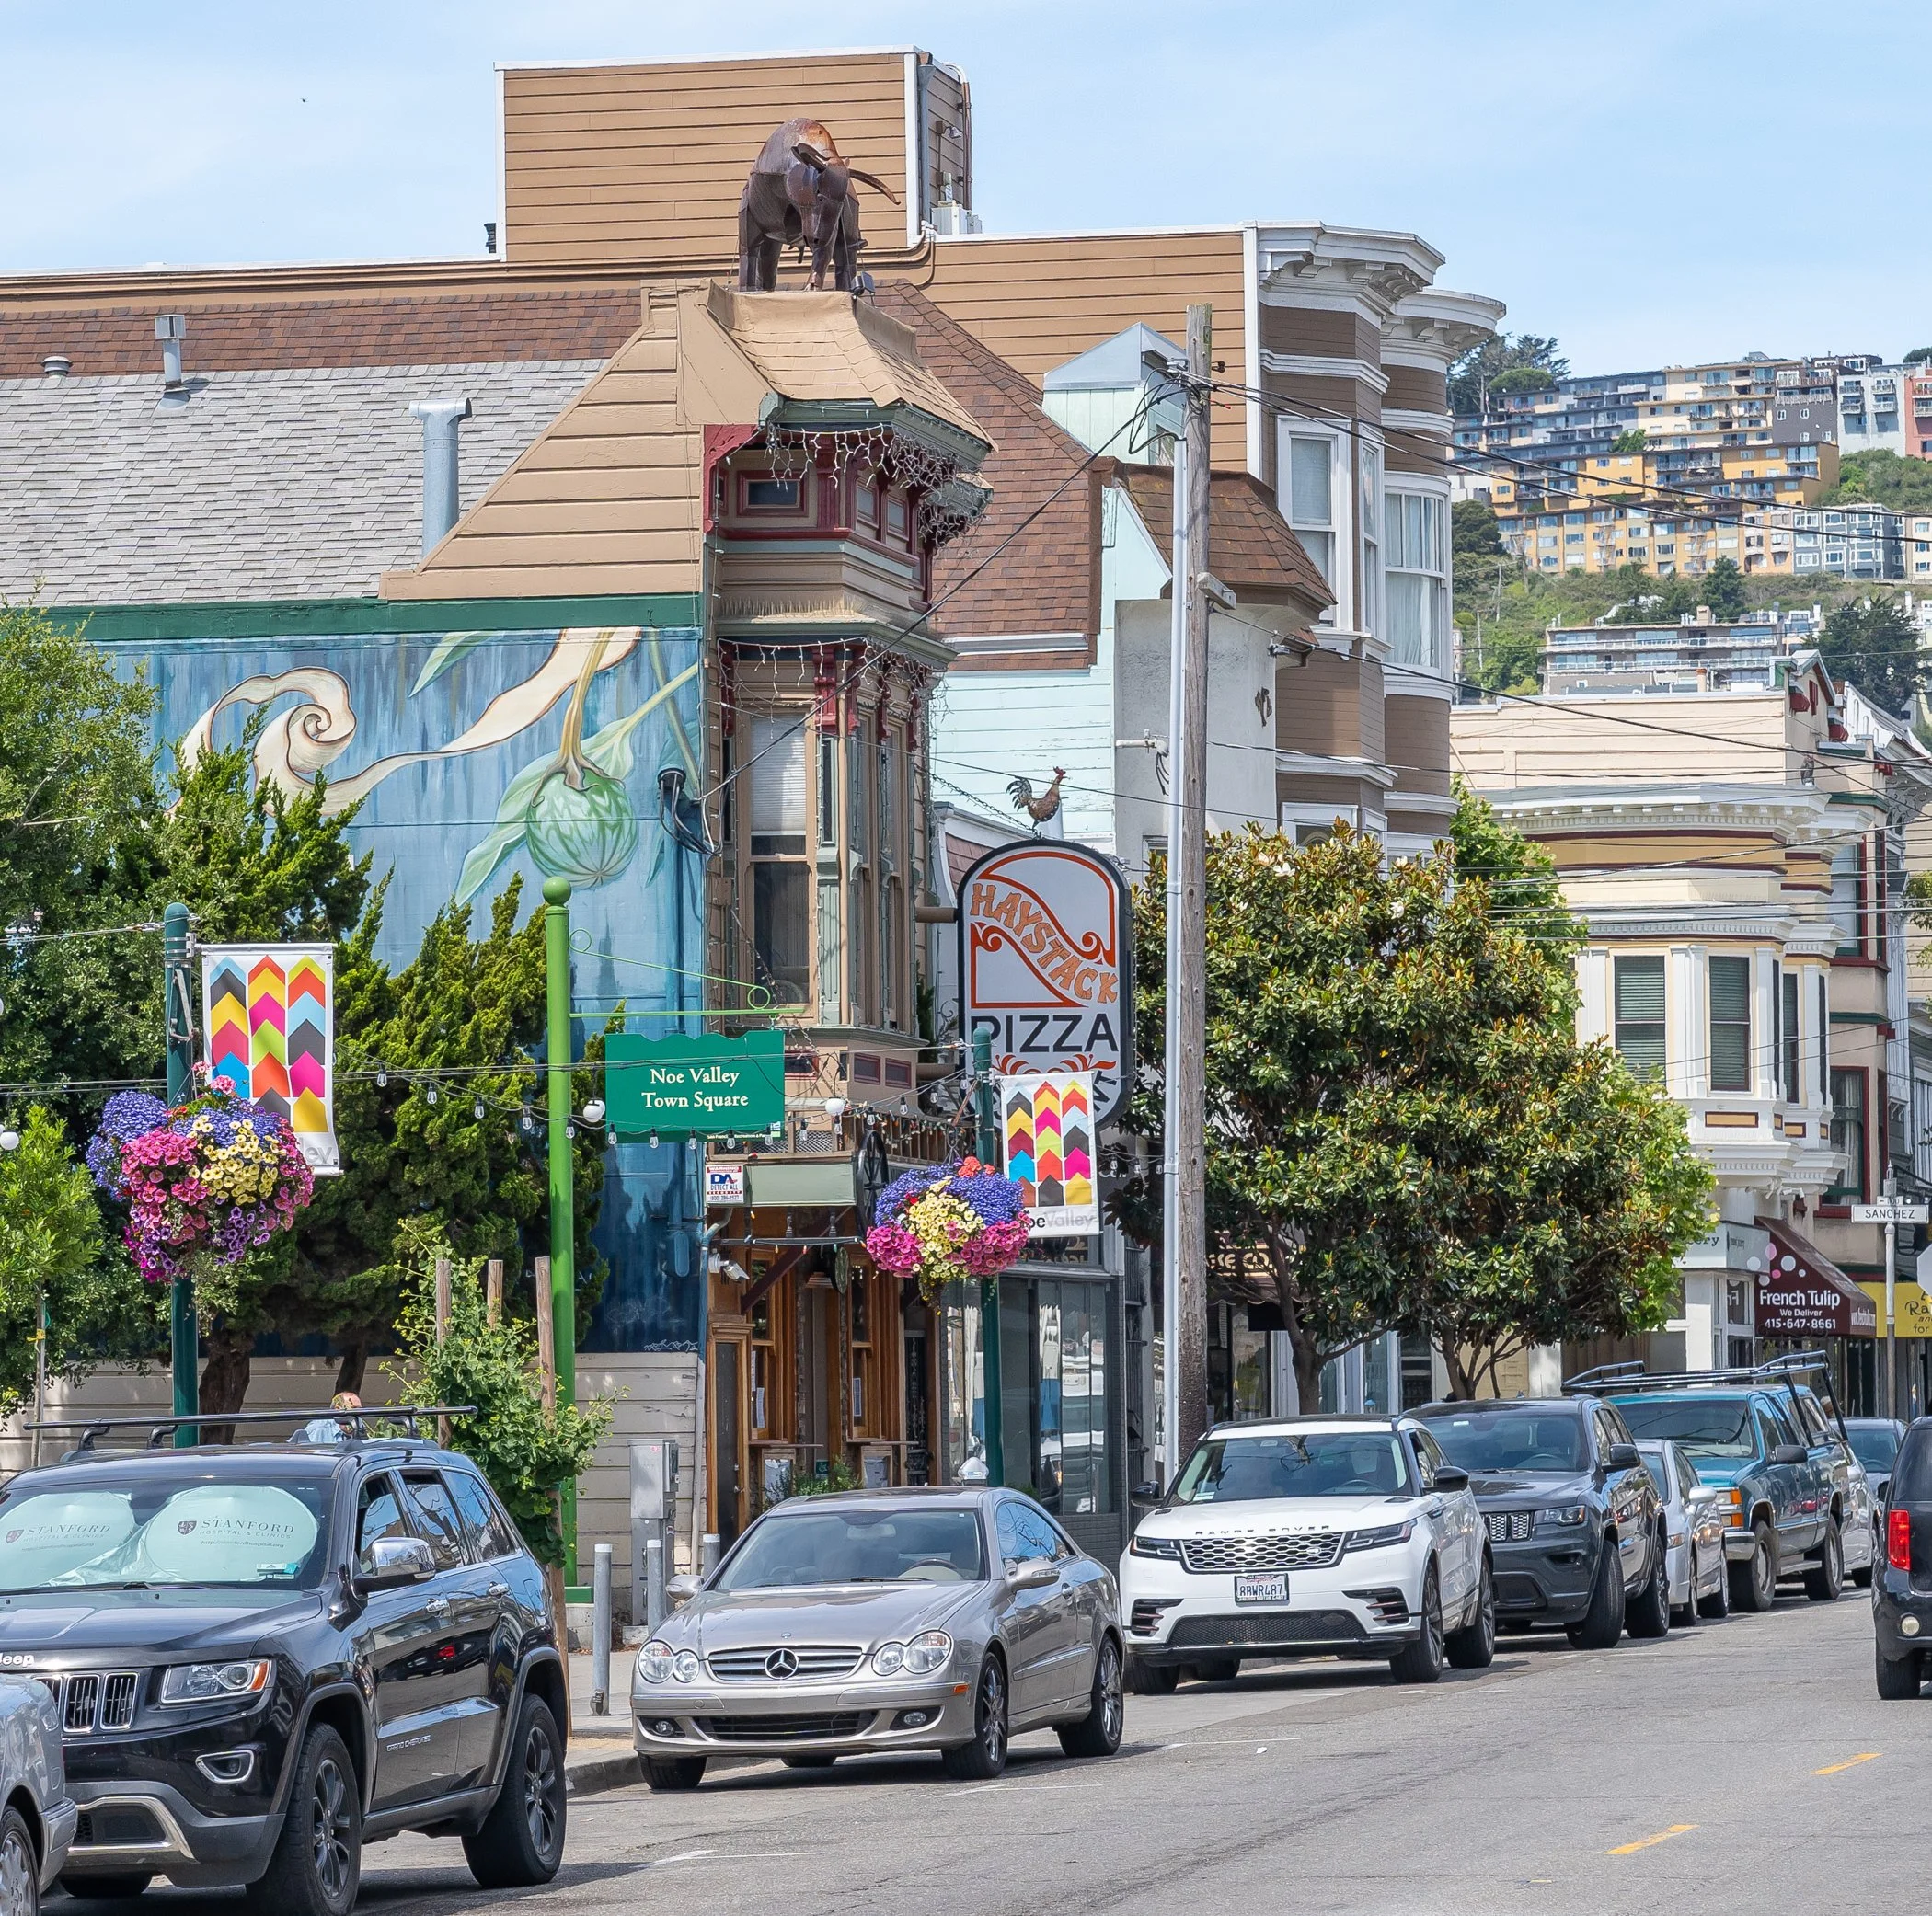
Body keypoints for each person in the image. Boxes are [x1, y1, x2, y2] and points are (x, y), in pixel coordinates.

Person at [292, 1391, 364, 1444]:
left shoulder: (360, 1427)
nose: (358, 1413)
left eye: (360, 1409)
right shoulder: (320, 1428)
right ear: (338, 1409)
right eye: (354, 1408)